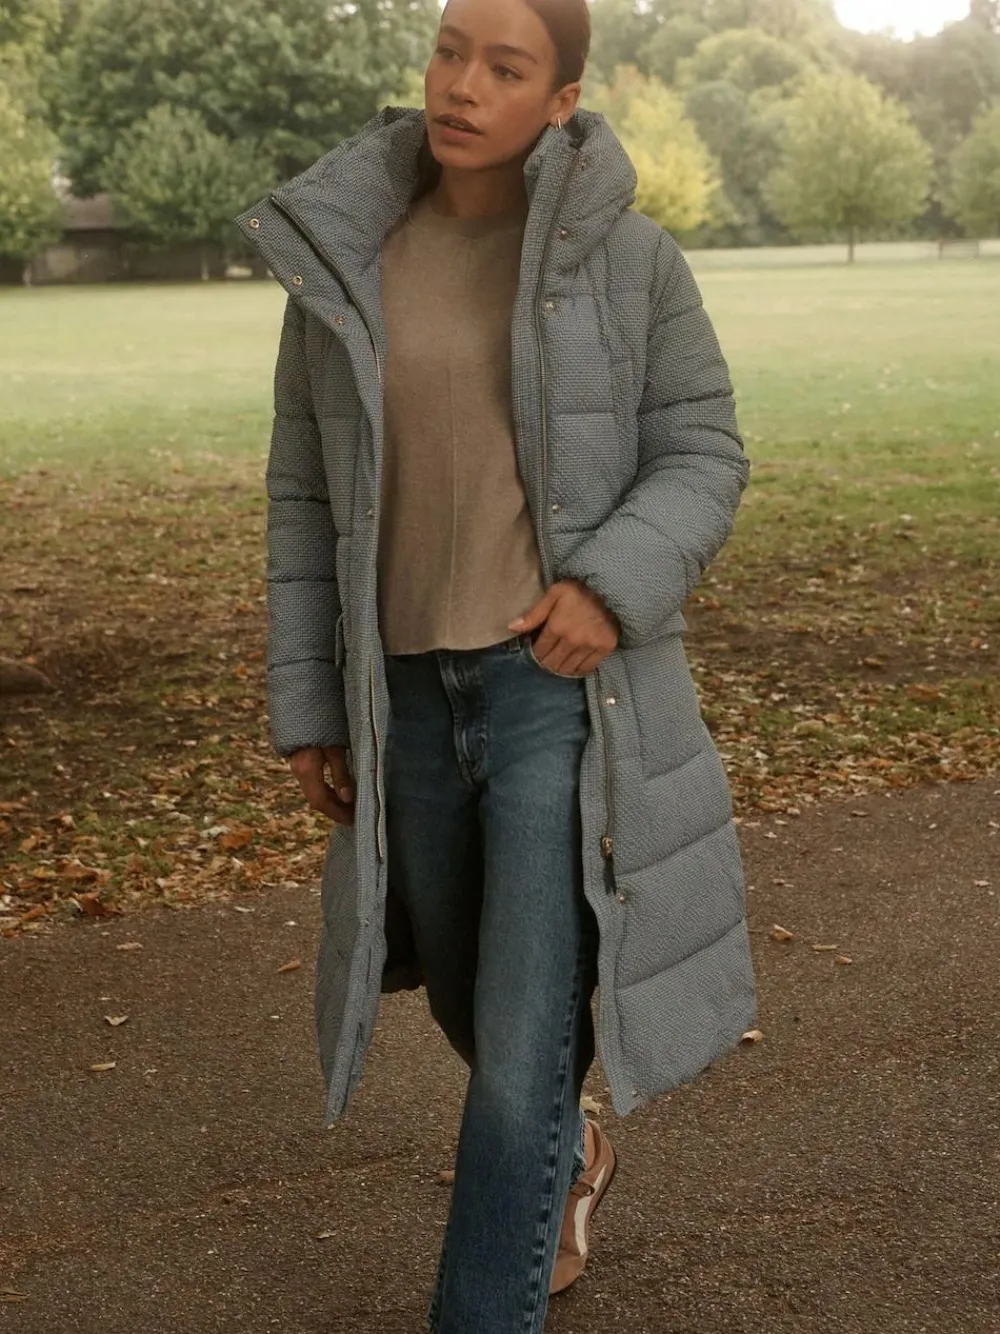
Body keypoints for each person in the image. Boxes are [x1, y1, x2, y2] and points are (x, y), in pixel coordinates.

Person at [236, 0, 758, 1329]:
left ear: (562, 100)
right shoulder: (346, 261)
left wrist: (609, 585)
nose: (463, 84)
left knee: (524, 1039)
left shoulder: (631, 262)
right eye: (450, 49)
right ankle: (568, 1153)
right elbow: (303, 496)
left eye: (506, 66)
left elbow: (702, 450)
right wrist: (310, 702)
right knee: (471, 1000)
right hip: (401, 696)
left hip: (552, 694)